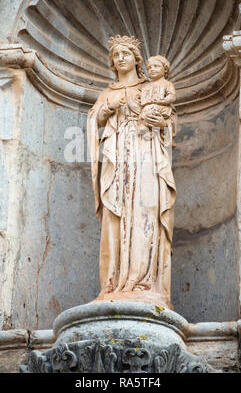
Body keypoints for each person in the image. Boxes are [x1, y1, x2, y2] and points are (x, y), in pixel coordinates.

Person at [87, 35, 177, 308]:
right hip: (116, 157)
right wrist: (105, 110)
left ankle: (147, 281)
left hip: (146, 155)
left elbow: (170, 120)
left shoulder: (150, 87)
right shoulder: (108, 92)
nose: (120, 58)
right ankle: (113, 283)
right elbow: (93, 122)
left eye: (126, 53)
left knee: (146, 208)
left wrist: (158, 121)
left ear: (136, 59)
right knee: (115, 213)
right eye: (116, 55)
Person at [138, 55, 176, 138]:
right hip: (147, 108)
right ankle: (145, 129)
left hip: (160, 107)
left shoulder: (167, 84)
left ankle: (151, 130)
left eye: (156, 66)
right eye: (149, 68)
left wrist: (164, 100)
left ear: (165, 69)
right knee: (143, 117)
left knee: (153, 114)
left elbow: (172, 96)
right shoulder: (145, 86)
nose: (152, 69)